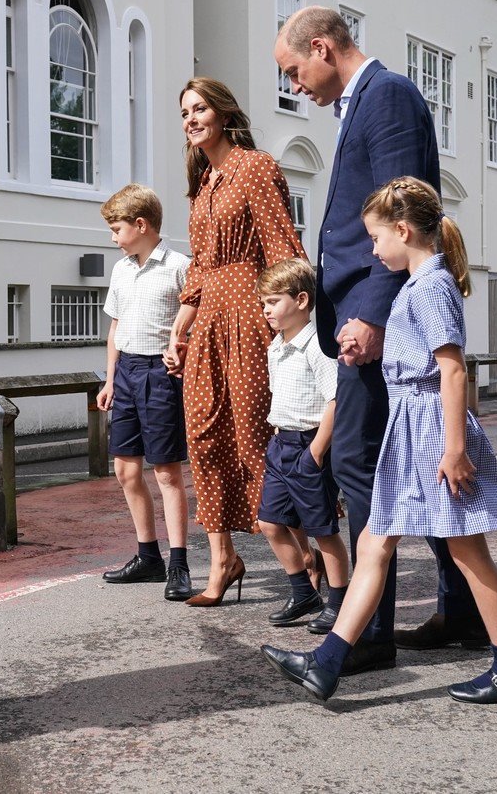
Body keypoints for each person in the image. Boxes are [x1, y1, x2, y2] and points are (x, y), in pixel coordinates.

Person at [262, 177, 497, 705]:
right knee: (373, 543)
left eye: (376, 238)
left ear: (403, 231)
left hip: (432, 432)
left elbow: (451, 370)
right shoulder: (417, 284)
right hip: (411, 429)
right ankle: (327, 662)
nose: (372, 250)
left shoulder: (430, 286)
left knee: (469, 553)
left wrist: (455, 450)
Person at [273, 7, 487, 674]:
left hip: (375, 318)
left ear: (322, 47)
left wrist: (371, 314)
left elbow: (404, 216)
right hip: (364, 313)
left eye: (293, 70)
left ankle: (368, 635)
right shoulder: (361, 102)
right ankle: (462, 612)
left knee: (360, 462)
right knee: (411, 462)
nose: (293, 84)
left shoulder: (386, 94)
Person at [164, 78, 306, 607]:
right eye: (185, 112)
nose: (191, 119)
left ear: (224, 114)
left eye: (200, 108)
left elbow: (282, 248)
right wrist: (179, 328)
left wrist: (290, 326)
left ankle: (308, 556)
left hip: (250, 313)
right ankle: (222, 559)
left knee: (254, 437)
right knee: (202, 437)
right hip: (208, 321)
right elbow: (199, 268)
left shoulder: (256, 167)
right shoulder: (203, 184)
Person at [96, 184, 193, 602]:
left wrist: (181, 353)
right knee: (125, 471)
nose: (113, 238)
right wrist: (109, 380)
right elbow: (115, 328)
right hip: (127, 373)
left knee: (167, 473)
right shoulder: (121, 270)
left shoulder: (179, 267)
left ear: (141, 225)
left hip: (160, 375)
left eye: (116, 229)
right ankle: (148, 557)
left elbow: (196, 323)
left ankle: (179, 564)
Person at [256, 258, 350, 633]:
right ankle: (303, 592)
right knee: (269, 522)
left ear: (301, 300)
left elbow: (336, 400)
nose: (266, 310)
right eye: (263, 303)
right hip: (281, 443)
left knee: (322, 530)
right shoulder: (276, 346)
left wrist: (316, 453)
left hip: (310, 445)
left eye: (273, 301)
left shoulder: (317, 346)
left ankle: (339, 602)